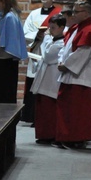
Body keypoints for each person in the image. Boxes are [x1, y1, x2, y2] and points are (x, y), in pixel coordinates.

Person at [55, 2, 91, 149]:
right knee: (69, 108)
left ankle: (74, 138)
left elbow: (83, 54)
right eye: (73, 12)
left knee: (77, 111)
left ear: (87, 14)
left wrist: (66, 65)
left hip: (80, 77)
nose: (73, 15)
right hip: (72, 75)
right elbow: (66, 48)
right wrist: (61, 60)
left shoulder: (89, 30)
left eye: (77, 12)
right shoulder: (77, 28)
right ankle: (67, 136)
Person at [21, 0, 61, 124]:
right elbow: (25, 33)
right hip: (36, 49)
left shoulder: (58, 14)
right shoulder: (34, 14)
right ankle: (30, 116)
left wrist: (47, 35)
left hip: (49, 51)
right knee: (33, 81)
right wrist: (36, 35)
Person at [30, 13, 67, 144]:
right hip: (44, 79)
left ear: (62, 27)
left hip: (52, 81)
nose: (49, 30)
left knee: (49, 111)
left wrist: (45, 38)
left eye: (53, 28)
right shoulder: (53, 40)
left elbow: (48, 56)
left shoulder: (61, 43)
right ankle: (43, 135)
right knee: (42, 110)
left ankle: (49, 135)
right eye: (49, 27)